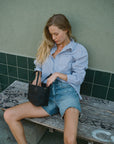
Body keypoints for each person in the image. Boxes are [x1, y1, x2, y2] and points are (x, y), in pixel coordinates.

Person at [4, 14, 88, 144]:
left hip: (67, 94)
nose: (54, 38)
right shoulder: (47, 47)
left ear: (66, 29)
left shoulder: (78, 50)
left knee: (70, 140)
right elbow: (38, 65)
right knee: (9, 115)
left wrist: (58, 75)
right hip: (46, 95)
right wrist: (37, 76)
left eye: (56, 34)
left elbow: (78, 78)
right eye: (51, 34)